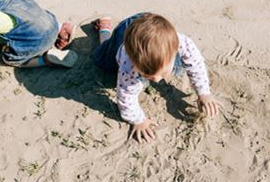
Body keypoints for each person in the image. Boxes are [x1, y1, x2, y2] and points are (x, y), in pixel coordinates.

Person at [94, 12, 222, 143]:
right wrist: (138, 120)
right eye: (147, 74)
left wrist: (203, 93)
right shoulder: (128, 67)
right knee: (102, 59)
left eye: (162, 73)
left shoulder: (182, 43)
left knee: (178, 66)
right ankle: (104, 28)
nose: (156, 80)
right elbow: (126, 97)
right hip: (122, 36)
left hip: (150, 28)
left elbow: (196, 65)